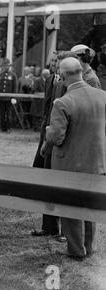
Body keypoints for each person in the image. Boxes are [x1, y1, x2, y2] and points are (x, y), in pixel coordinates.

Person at [42, 57, 106, 261]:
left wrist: (47, 133)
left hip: (69, 164)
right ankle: (89, 246)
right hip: (97, 162)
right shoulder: (102, 96)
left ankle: (76, 250)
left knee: (70, 208)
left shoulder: (63, 102)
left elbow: (56, 137)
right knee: (89, 205)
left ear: (62, 76)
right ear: (81, 71)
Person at [31, 51, 77, 241]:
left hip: (60, 140)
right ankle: (48, 226)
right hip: (47, 135)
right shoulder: (51, 80)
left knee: (58, 184)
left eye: (56, 63)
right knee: (44, 180)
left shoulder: (70, 85)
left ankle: (63, 230)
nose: (52, 65)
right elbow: (47, 110)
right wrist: (43, 138)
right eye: (51, 62)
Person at [0, 58, 17, 132]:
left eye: (8, 65)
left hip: (9, 98)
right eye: (5, 65)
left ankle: (8, 128)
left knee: (9, 114)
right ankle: (2, 128)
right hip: (1, 98)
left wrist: (14, 97)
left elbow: (14, 87)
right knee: (2, 113)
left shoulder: (13, 75)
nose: (6, 67)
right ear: (3, 66)